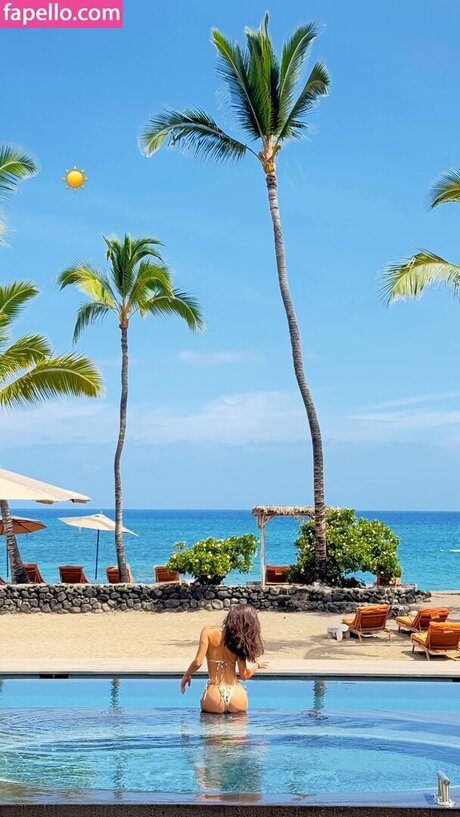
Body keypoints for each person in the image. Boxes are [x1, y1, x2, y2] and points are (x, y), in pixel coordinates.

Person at [180, 604, 268, 714]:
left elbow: (198, 662)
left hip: (214, 695)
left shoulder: (208, 631)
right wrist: (257, 665)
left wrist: (187, 675)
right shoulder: (239, 640)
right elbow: (244, 675)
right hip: (236, 695)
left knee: (210, 723)